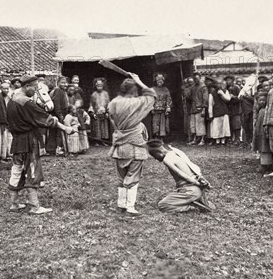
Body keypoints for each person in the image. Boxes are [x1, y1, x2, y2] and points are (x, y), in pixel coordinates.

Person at [7, 75, 75, 214]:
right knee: (32, 171)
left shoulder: (12, 99)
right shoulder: (26, 102)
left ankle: (14, 204)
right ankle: (35, 206)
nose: (36, 90)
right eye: (35, 88)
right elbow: (46, 119)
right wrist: (65, 128)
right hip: (28, 141)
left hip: (16, 141)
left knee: (17, 170)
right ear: (27, 87)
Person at [108, 73, 155, 215]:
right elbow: (152, 95)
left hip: (120, 145)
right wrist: (139, 81)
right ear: (134, 91)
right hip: (135, 145)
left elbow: (111, 118)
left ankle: (121, 205)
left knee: (121, 176)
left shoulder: (113, 102)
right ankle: (130, 207)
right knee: (133, 175)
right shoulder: (137, 102)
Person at [147, 140, 215, 213]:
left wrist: (197, 183)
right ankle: (199, 200)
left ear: (158, 153)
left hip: (191, 191)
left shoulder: (166, 159)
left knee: (162, 205)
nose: (155, 159)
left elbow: (184, 176)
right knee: (166, 197)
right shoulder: (175, 152)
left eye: (154, 156)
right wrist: (203, 184)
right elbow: (194, 169)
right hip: (198, 190)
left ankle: (194, 207)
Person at [253, 92, 273, 174]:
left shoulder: (266, 111)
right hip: (259, 133)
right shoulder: (260, 110)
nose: (262, 102)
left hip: (264, 133)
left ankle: (265, 165)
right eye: (260, 100)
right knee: (261, 149)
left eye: (264, 100)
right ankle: (263, 164)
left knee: (265, 149)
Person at [49, 76, 70, 155]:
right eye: (62, 83)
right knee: (58, 132)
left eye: (65, 83)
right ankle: (58, 148)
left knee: (59, 131)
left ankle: (57, 148)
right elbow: (56, 104)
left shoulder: (63, 91)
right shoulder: (58, 90)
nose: (65, 84)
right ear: (58, 83)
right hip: (58, 114)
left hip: (63, 113)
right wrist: (60, 115)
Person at [208, 78, 231, 145]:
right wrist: (210, 114)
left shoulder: (225, 91)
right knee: (217, 126)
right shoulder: (212, 93)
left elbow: (228, 99)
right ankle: (217, 140)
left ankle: (223, 140)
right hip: (216, 111)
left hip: (224, 111)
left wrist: (222, 94)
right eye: (218, 84)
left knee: (224, 126)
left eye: (221, 84)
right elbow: (210, 105)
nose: (219, 85)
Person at [187, 73, 207, 145]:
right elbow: (189, 98)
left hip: (200, 108)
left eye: (197, 78)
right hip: (193, 108)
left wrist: (204, 109)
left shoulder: (203, 87)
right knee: (193, 125)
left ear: (200, 78)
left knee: (201, 125)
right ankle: (195, 139)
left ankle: (202, 140)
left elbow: (205, 99)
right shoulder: (193, 87)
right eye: (195, 79)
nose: (196, 80)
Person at [89, 78, 111, 145]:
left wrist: (107, 112)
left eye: (100, 84)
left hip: (104, 114)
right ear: (95, 85)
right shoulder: (93, 94)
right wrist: (92, 113)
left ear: (103, 85)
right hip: (97, 114)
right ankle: (96, 141)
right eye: (98, 85)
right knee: (96, 128)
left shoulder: (106, 94)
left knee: (104, 128)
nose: (99, 86)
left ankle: (103, 141)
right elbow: (91, 105)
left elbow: (109, 104)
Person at [225, 75, 242, 144]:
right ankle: (231, 139)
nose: (227, 81)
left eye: (229, 80)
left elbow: (241, 98)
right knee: (231, 124)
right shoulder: (227, 88)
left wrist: (233, 97)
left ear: (232, 80)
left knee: (236, 124)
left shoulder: (236, 87)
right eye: (226, 80)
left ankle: (237, 139)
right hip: (229, 108)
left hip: (236, 109)